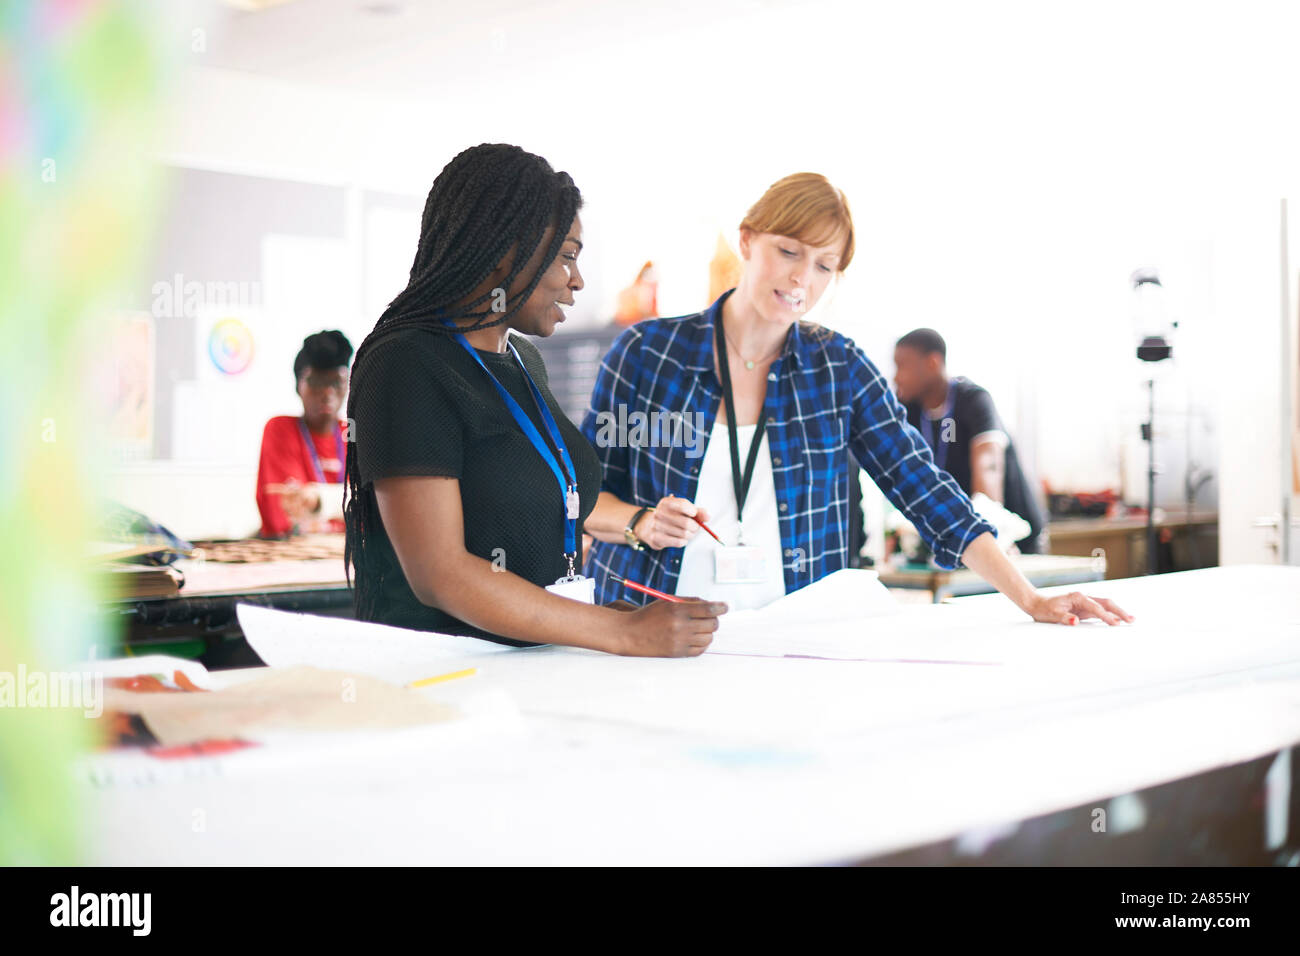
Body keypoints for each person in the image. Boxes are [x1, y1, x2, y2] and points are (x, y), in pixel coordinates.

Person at [581, 172, 1131, 627]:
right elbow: (581, 499)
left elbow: (925, 489)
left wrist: (1031, 599)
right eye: (788, 251)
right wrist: (640, 521)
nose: (802, 277)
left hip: (788, 635)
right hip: (654, 626)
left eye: (824, 265)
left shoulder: (837, 368)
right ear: (748, 240)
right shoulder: (649, 356)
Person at [342, 144, 725, 656]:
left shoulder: (523, 359)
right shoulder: (407, 365)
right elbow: (441, 573)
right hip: (442, 677)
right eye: (566, 256)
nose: (578, 281)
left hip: (529, 670)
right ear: (504, 251)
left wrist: (595, 613)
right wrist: (617, 633)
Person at [893, 328, 1047, 553]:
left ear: (932, 363)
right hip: (964, 540)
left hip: (1012, 538)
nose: (897, 377)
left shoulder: (972, 400)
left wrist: (990, 528)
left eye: (902, 366)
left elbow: (989, 467)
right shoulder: (912, 412)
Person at [255, 330, 352, 538]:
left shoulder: (354, 433)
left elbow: (374, 508)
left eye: (337, 382)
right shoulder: (281, 429)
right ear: (298, 385)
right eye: (316, 382)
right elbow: (284, 520)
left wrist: (319, 503)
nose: (327, 393)